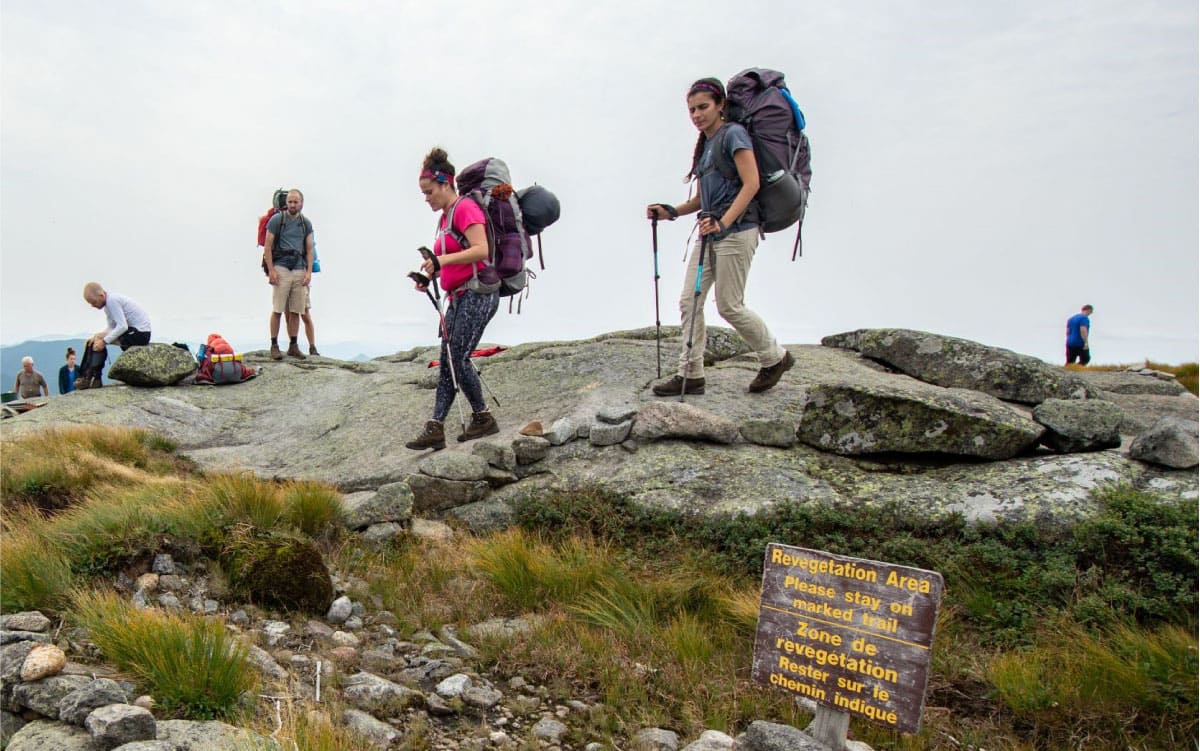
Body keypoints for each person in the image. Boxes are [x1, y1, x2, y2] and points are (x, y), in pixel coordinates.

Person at [646, 78, 794, 396]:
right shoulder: (707, 145)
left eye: (703, 107)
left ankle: (776, 358)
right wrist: (670, 211)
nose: (697, 115)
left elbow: (751, 183)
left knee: (729, 305)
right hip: (710, 231)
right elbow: (701, 199)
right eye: (692, 110)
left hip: (737, 231)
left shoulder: (734, 135)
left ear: (720, 105)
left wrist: (724, 223)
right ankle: (691, 374)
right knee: (690, 301)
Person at [405, 147, 501, 451]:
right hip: (459, 295)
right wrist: (431, 276)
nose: (426, 198)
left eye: (429, 191)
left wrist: (441, 262)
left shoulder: (465, 209)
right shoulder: (445, 218)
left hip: (478, 293)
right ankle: (435, 426)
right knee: (448, 361)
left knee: (458, 358)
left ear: (446, 184)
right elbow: (452, 257)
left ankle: (483, 417)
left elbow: (481, 250)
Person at [257, 190, 320, 356]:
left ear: (301, 203)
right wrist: (271, 270)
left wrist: (308, 272)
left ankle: (293, 345)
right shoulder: (277, 220)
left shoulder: (305, 223)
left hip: (299, 267)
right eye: (290, 202)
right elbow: (268, 247)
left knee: (295, 311)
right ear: (287, 203)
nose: (293, 205)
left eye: (296, 202)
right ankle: (274, 345)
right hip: (281, 267)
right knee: (278, 309)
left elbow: (309, 249)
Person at [83, 282, 152, 352]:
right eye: (91, 303)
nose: (93, 306)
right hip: (136, 332)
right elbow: (111, 327)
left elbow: (123, 326)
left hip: (141, 334)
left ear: (101, 295)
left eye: (94, 302)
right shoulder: (108, 306)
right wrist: (95, 338)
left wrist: (104, 342)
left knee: (101, 340)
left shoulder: (112, 301)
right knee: (98, 338)